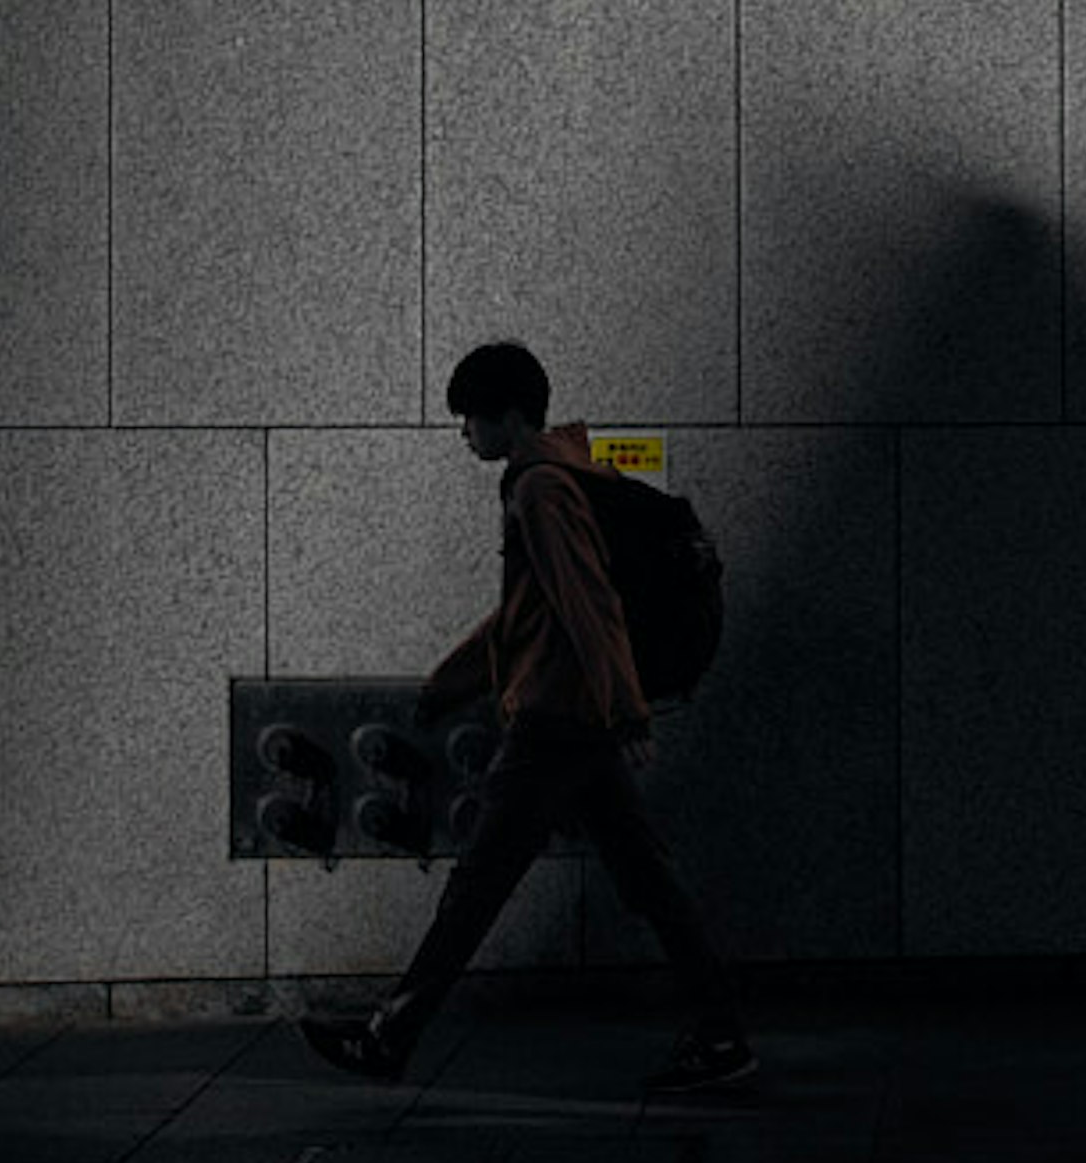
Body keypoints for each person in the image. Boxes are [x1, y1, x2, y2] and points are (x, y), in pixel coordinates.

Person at [302, 342, 755, 1096]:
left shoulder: (539, 488)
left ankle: (390, 1036)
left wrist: (625, 709)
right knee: (647, 877)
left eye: (471, 418)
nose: (464, 434)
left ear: (508, 416)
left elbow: (587, 603)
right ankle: (722, 1033)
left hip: (557, 724)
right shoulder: (568, 473)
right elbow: (527, 618)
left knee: (477, 885)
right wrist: (448, 684)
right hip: (581, 723)